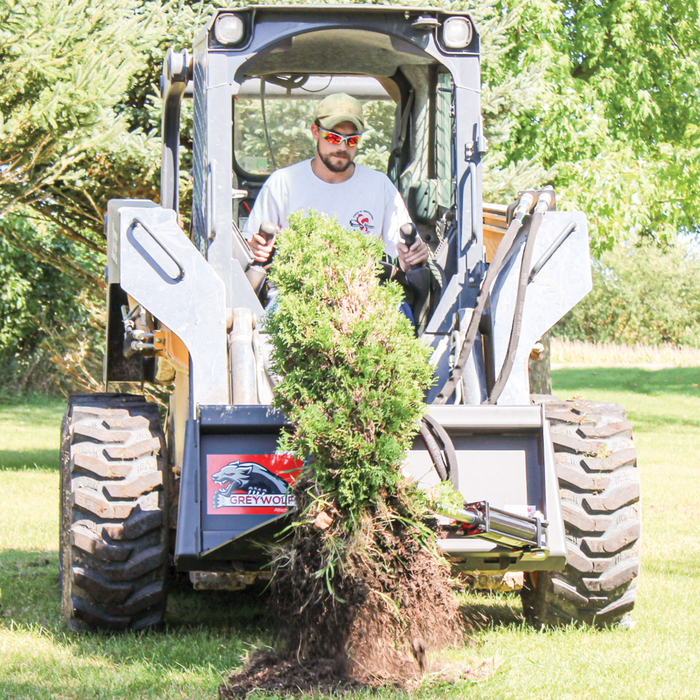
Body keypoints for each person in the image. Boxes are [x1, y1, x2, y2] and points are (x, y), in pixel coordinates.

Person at [244, 93, 429, 272]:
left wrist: (412, 256)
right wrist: (254, 249)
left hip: (362, 293)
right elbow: (246, 253)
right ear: (315, 132)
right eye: (333, 137)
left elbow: (403, 256)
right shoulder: (282, 182)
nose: (342, 147)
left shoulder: (379, 185)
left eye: (352, 140)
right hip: (292, 295)